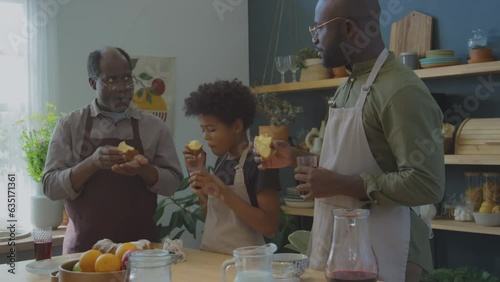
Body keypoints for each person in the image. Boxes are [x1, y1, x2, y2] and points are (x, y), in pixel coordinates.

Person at [255, 0, 445, 281]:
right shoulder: (349, 85)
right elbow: (363, 161)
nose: (313, 37)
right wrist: (295, 156)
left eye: (318, 28)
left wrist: (340, 184)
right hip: (346, 248)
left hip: (390, 251)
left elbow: (427, 183)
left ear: (347, 28)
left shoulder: (401, 91)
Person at [43, 47, 183, 254]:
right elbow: (51, 187)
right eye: (111, 81)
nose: (122, 88)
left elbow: (173, 184)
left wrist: (143, 170)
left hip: (140, 252)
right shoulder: (70, 125)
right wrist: (91, 163)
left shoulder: (153, 126)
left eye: (127, 79)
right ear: (93, 83)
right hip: (84, 253)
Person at [183, 79, 281, 255]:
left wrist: (221, 191)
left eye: (211, 129)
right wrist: (199, 175)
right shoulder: (222, 161)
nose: (206, 137)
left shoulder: (260, 161)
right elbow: (216, 220)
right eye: (203, 130)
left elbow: (269, 226)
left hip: (247, 264)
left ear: (236, 126)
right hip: (213, 257)